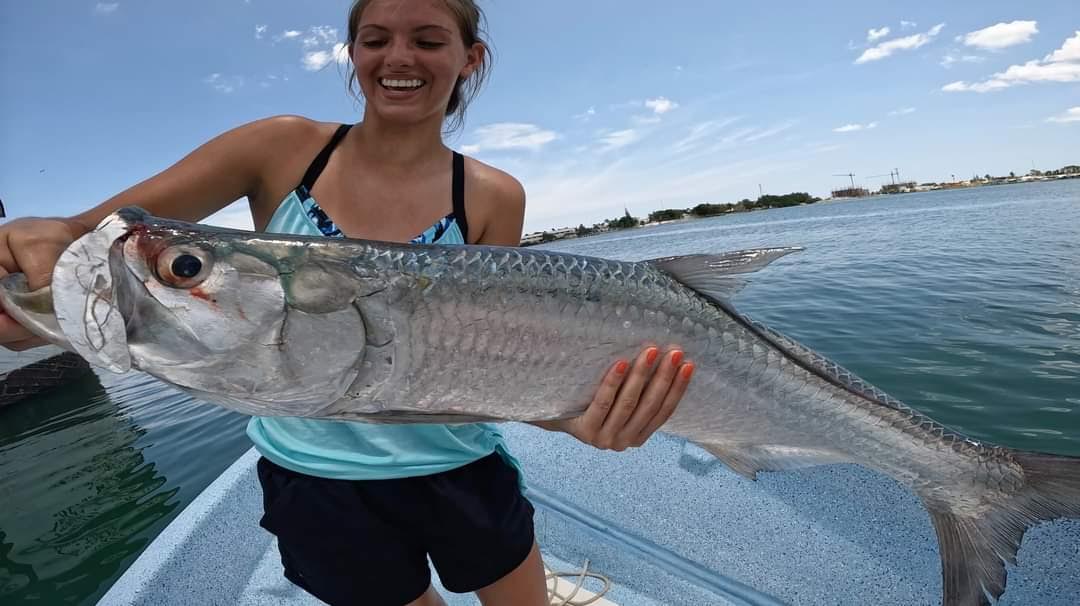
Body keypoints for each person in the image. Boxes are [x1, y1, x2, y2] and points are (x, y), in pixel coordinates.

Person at [0, 1, 696, 604]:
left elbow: (497, 358)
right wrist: (38, 270)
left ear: (469, 58)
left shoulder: (490, 194)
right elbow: (92, 241)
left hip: (460, 465)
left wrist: (576, 421)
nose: (399, 57)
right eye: (375, 38)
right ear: (353, 53)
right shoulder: (280, 148)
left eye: (427, 39)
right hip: (315, 482)